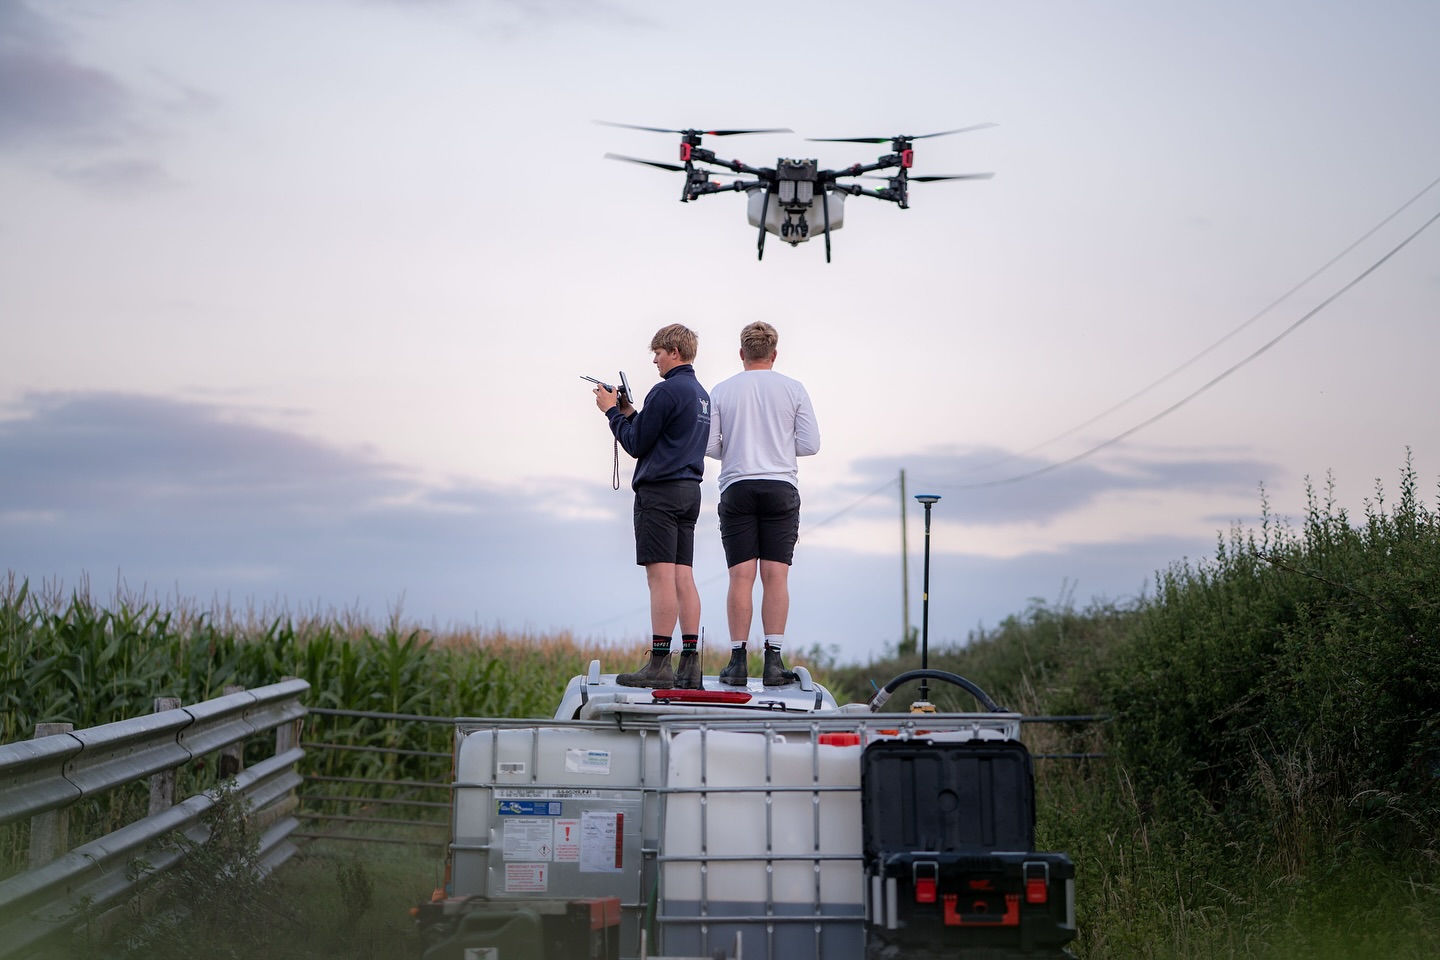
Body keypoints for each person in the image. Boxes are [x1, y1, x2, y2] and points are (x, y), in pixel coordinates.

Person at [593, 323, 711, 689]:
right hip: (690, 491)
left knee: (659, 577)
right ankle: (690, 666)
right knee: (683, 576)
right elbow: (658, 433)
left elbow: (636, 444)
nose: (655, 361)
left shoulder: (664, 391)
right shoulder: (701, 395)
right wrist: (630, 410)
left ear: (674, 352)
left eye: (657, 353)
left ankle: (660, 662)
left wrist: (612, 412)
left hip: (658, 493)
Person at [705, 321, 820, 686]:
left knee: (741, 576)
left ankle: (737, 662)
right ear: (774, 354)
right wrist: (781, 447)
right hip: (780, 487)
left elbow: (708, 446)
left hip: (737, 486)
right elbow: (811, 443)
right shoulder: (793, 389)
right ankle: (773, 662)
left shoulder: (722, 390)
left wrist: (737, 450)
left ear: (742, 354)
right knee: (776, 576)